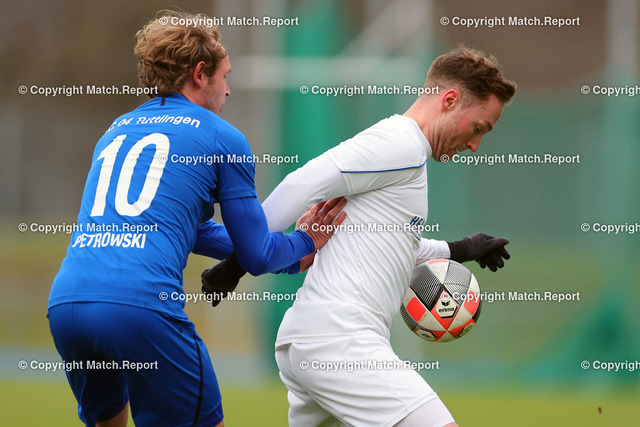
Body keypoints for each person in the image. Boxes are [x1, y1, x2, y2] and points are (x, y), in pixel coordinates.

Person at [47, 11, 345, 427]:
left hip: (67, 305)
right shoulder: (222, 137)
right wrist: (306, 242)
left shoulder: (116, 129)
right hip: (141, 308)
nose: (229, 89)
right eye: (225, 76)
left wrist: (292, 256)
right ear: (200, 73)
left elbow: (180, 226)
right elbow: (257, 255)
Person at [203, 46, 516, 426]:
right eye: (479, 127)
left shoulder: (407, 153)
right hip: (339, 339)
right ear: (449, 100)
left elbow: (391, 242)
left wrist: (461, 249)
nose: (474, 144)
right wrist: (235, 264)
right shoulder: (401, 144)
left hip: (318, 340)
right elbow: (300, 184)